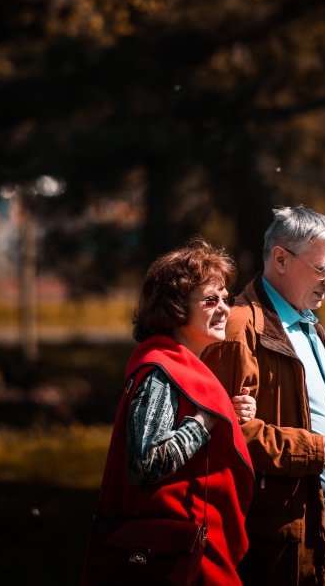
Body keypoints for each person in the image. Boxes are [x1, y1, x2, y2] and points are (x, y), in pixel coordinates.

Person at [203, 207, 325, 586]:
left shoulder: (305, 318)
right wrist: (315, 448)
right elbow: (223, 434)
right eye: (323, 269)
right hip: (277, 534)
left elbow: (303, 398)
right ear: (280, 259)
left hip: (322, 517)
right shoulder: (239, 328)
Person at [82, 240, 256, 586]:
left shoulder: (184, 366)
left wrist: (227, 414)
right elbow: (145, 464)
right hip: (170, 558)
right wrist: (208, 418)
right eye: (211, 300)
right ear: (175, 307)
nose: (225, 309)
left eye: (227, 298)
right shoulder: (161, 370)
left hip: (187, 549)